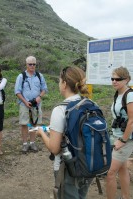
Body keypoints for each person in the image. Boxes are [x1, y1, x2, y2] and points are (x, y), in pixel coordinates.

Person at [36, 66, 93, 199]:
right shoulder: (90, 103)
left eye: (59, 81)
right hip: (88, 164)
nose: (59, 84)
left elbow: (55, 149)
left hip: (68, 168)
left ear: (65, 84)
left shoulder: (60, 109)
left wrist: (42, 133)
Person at [106, 66, 133, 199]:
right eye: (112, 78)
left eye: (118, 79)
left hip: (127, 139)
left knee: (110, 173)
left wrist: (122, 141)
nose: (114, 81)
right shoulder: (118, 94)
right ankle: (126, 196)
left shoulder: (130, 95)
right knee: (122, 168)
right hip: (117, 137)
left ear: (126, 80)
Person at [14, 56, 48, 153]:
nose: (32, 66)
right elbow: (17, 92)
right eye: (30, 64)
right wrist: (25, 102)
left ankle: (32, 143)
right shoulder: (21, 76)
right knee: (24, 124)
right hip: (24, 104)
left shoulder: (39, 76)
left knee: (34, 123)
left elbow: (44, 89)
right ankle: (25, 144)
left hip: (36, 104)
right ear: (26, 64)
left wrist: (39, 97)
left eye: (34, 64)